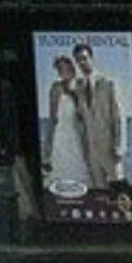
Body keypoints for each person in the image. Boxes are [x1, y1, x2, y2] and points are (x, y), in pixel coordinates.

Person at [72, 42, 123, 188]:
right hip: (91, 150)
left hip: (109, 147)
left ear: (91, 58)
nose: (82, 63)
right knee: (99, 192)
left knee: (118, 188)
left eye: (84, 58)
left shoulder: (108, 82)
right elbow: (81, 119)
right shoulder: (79, 87)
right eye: (78, 60)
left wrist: (118, 146)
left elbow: (118, 116)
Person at [43, 55, 90, 189]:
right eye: (60, 69)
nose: (63, 71)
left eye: (65, 68)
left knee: (79, 165)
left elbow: (85, 113)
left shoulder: (81, 85)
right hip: (61, 133)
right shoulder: (55, 87)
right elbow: (52, 116)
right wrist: (48, 145)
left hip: (77, 132)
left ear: (71, 68)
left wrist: (73, 95)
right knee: (60, 166)